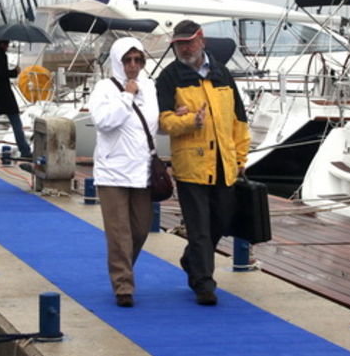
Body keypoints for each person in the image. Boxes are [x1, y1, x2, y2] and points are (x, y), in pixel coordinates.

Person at [155, 20, 250, 305]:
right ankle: (204, 285)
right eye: (179, 44)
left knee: (220, 221)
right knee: (199, 229)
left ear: (202, 40)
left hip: (224, 164)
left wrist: (241, 158)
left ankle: (191, 260)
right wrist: (188, 121)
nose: (184, 48)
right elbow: (162, 121)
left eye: (189, 42)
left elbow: (239, 120)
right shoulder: (169, 77)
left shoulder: (222, 73)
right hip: (191, 167)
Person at [88, 37, 158, 308]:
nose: (133, 65)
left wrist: (180, 117)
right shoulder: (104, 88)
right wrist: (127, 95)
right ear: (118, 61)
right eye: (127, 60)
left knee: (140, 230)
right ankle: (123, 285)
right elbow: (105, 122)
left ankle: (123, 268)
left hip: (141, 170)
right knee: (119, 232)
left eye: (138, 60)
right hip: (113, 171)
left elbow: (151, 124)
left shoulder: (149, 87)